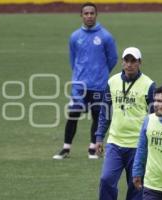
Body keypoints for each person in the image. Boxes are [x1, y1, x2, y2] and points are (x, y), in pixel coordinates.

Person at [53, 2, 118, 159]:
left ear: (96, 15)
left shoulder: (105, 36)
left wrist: (101, 73)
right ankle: (66, 148)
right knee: (73, 114)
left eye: (92, 13)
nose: (89, 16)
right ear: (81, 15)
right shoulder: (75, 37)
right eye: (86, 13)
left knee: (97, 115)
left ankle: (92, 148)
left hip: (98, 85)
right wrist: (78, 75)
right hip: (79, 85)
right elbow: (73, 59)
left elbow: (113, 58)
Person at [95, 47, 156, 200]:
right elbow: (105, 112)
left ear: (140, 63)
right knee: (106, 179)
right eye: (126, 60)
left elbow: (154, 116)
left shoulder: (149, 85)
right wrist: (99, 137)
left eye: (133, 61)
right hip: (115, 143)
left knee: (136, 186)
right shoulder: (112, 82)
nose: (129, 64)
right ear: (122, 62)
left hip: (138, 145)